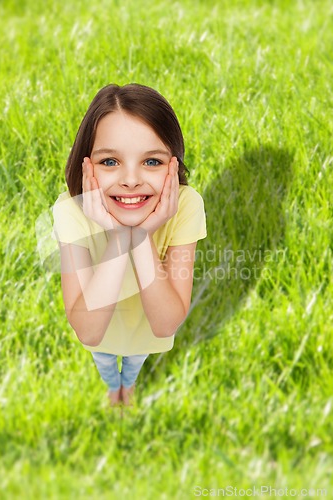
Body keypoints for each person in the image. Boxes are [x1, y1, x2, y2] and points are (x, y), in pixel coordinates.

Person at [51, 83, 206, 407]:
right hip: (101, 333)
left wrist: (141, 236)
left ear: (173, 166)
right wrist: (121, 236)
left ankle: (128, 385)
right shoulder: (70, 210)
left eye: (152, 162)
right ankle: (113, 388)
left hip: (145, 333)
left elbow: (165, 325)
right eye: (110, 162)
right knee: (106, 362)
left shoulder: (186, 204)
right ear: (87, 166)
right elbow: (89, 332)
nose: (131, 179)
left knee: (134, 362)